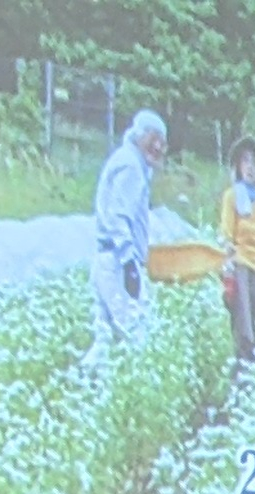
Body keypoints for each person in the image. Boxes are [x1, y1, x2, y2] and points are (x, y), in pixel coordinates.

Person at [90, 109, 166, 359]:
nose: (157, 147)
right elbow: (118, 216)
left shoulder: (129, 162)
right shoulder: (131, 166)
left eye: (161, 142)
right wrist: (129, 263)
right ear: (137, 135)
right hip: (118, 262)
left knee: (105, 336)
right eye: (152, 139)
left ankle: (86, 386)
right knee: (136, 332)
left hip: (106, 259)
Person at [217, 135, 255, 362]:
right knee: (244, 331)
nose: (250, 168)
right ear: (238, 167)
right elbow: (226, 235)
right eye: (245, 162)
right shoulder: (232, 197)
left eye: (254, 163)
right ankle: (240, 385)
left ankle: (254, 383)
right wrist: (228, 268)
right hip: (240, 267)